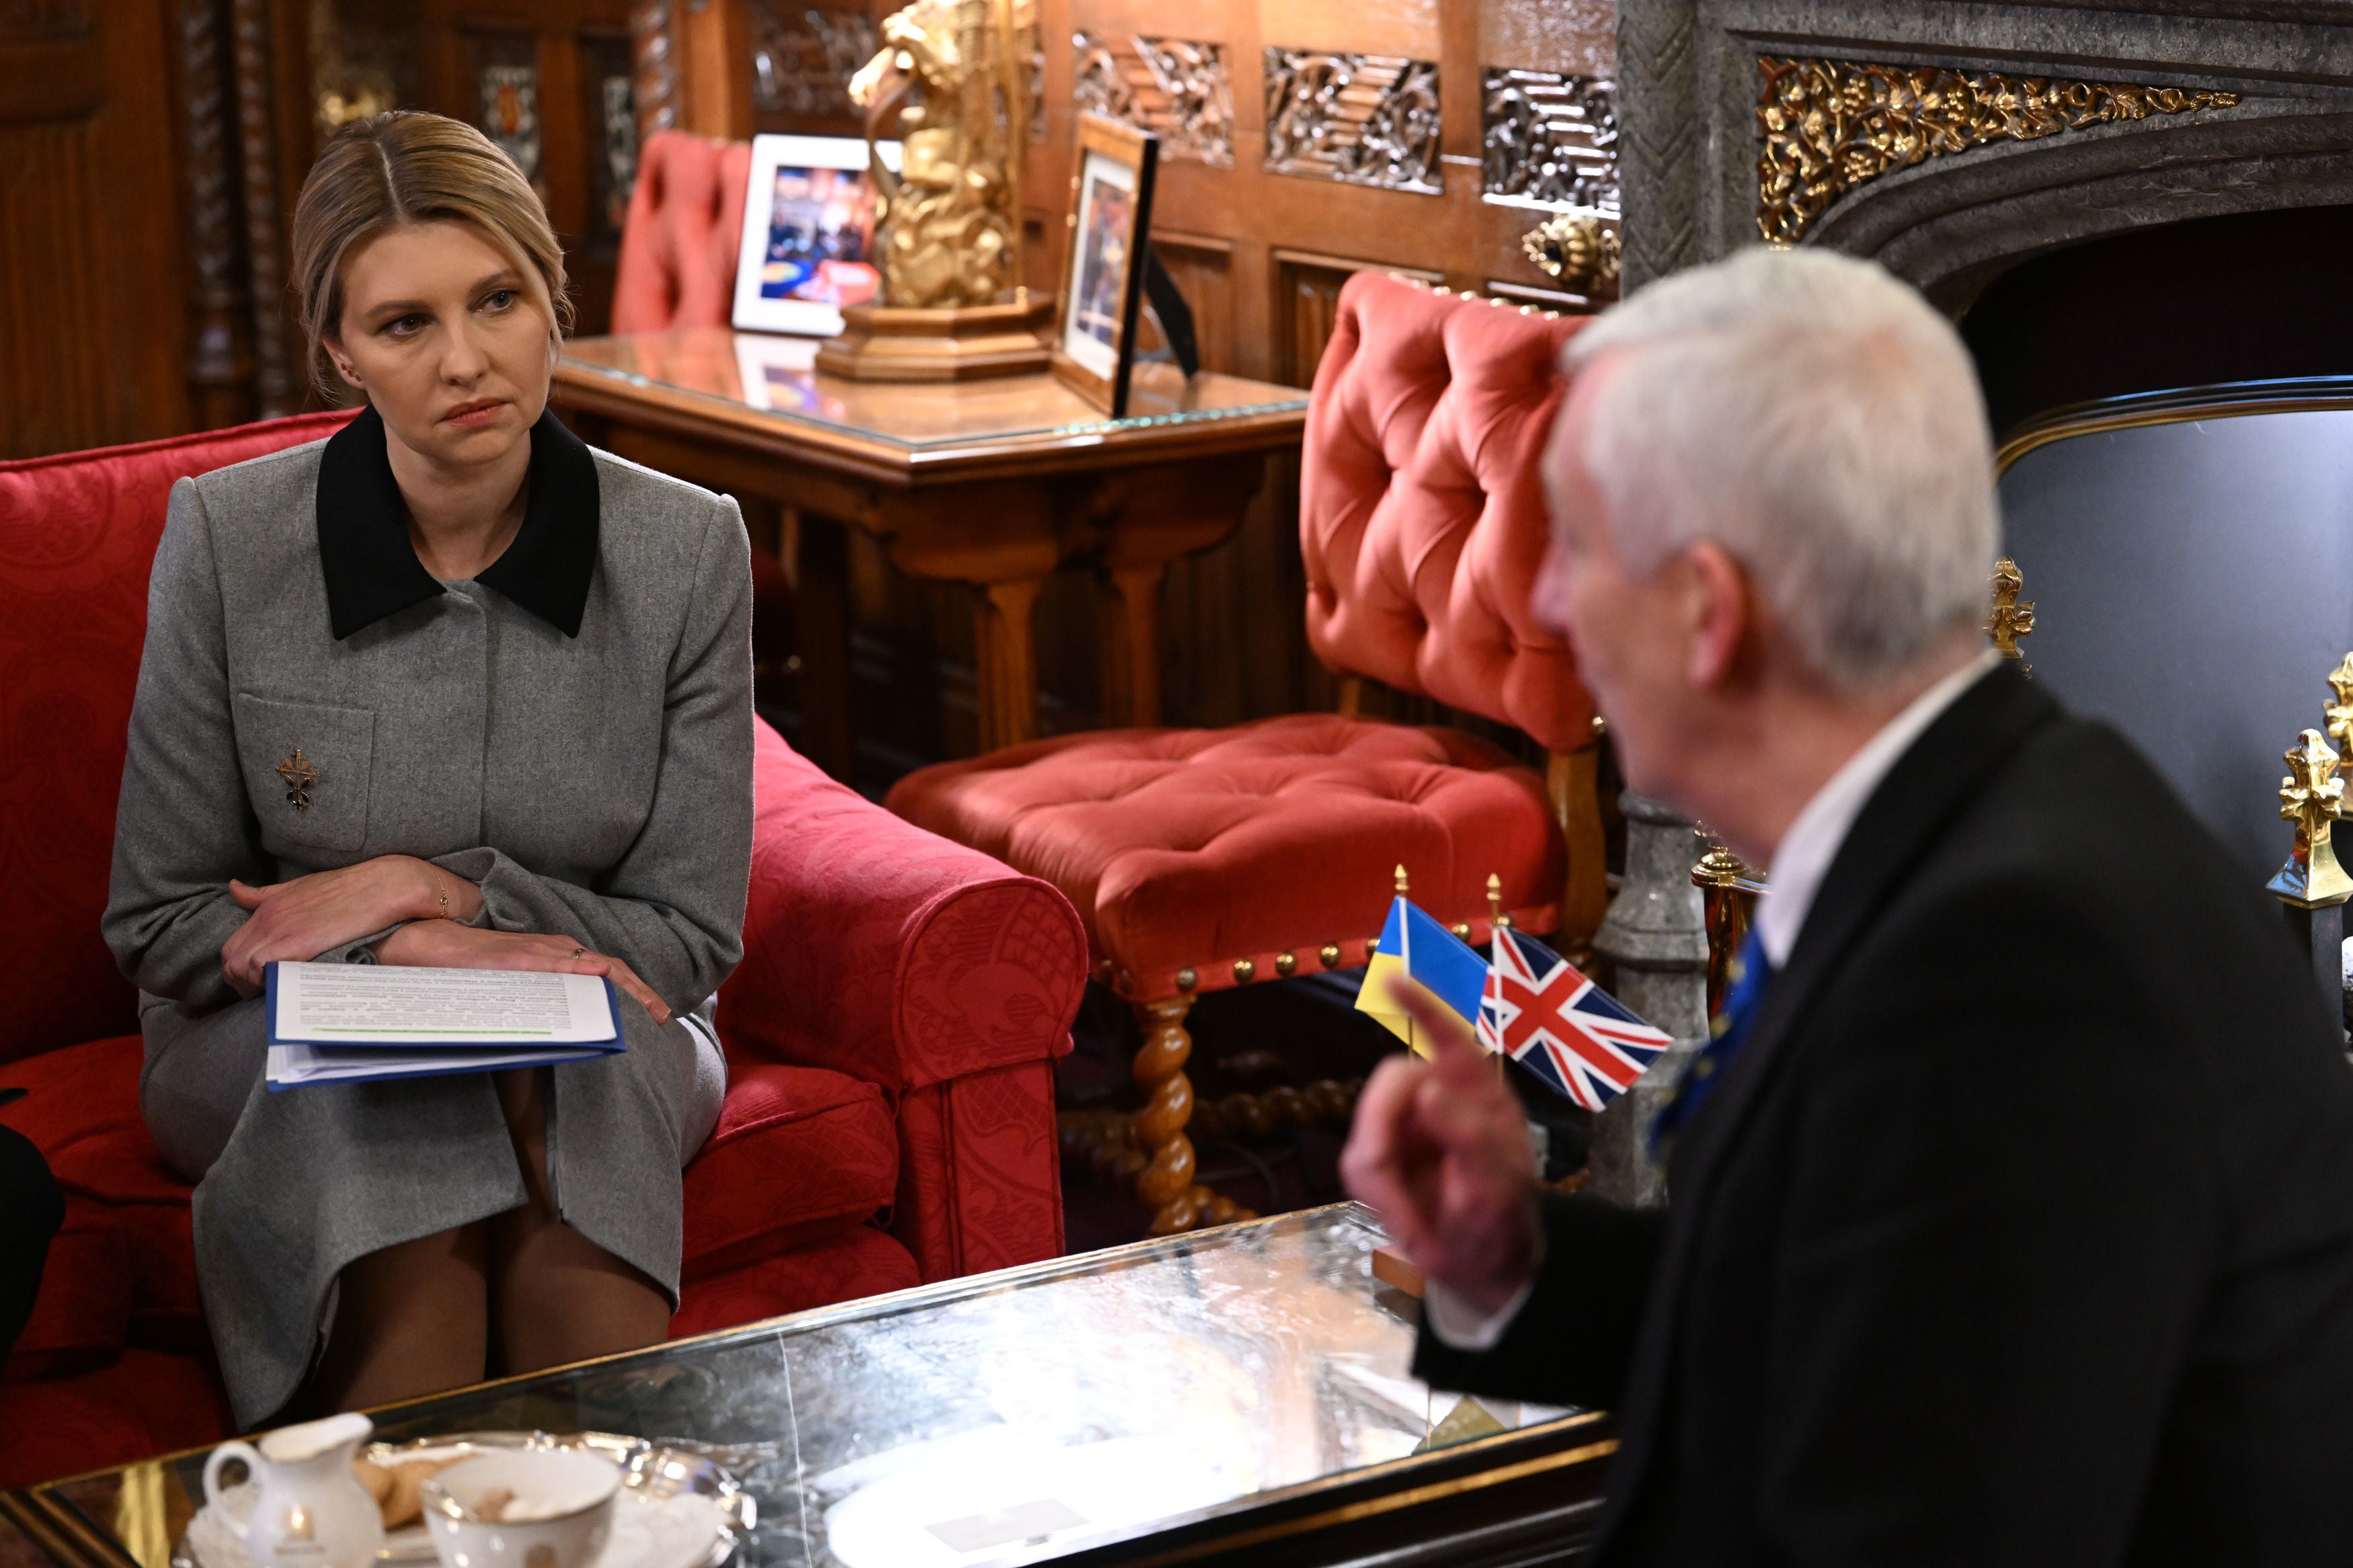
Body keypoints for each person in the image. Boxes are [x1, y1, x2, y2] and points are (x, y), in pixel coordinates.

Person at [1341, 247, 2353, 1564]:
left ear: (1708, 612)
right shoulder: (1955, 820)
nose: (1540, 598)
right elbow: (1832, 1316)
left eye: (1574, 544)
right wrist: (1513, 1262)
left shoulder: (2017, 968)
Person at [104, 111, 752, 1427]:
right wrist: (404, 958)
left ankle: (559, 1508)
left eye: (498, 300)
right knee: (411, 1094)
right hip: (257, 1035)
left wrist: (431, 891)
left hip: (612, 1021)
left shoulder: (689, 551)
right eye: (405, 325)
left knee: (575, 1058)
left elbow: (685, 939)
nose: (468, 361)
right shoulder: (229, 542)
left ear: (548, 297)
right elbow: (164, 926)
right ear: (338, 349)